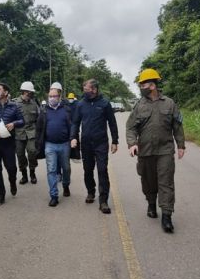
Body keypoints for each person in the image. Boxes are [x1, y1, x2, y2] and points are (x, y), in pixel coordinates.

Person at [126, 68, 185, 233]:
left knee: (166, 182)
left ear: (152, 85)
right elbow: (131, 128)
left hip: (165, 150)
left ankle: (167, 215)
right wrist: (132, 144)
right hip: (145, 152)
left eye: (142, 84)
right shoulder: (139, 105)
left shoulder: (169, 103)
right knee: (148, 181)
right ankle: (151, 204)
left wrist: (180, 145)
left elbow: (177, 126)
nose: (141, 87)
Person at [71, 79, 118, 214]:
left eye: (86, 89)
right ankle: (91, 192)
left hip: (101, 143)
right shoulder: (80, 105)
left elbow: (112, 123)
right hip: (86, 143)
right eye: (84, 89)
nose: (84, 91)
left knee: (102, 170)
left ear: (94, 90)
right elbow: (75, 122)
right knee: (88, 170)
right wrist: (73, 137)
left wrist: (115, 141)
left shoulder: (105, 104)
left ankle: (103, 201)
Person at [36, 86, 73, 206]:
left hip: (64, 145)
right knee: (51, 170)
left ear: (60, 97)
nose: (52, 98)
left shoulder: (66, 110)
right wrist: (38, 144)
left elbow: (72, 126)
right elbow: (39, 129)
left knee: (66, 168)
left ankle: (66, 185)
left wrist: (73, 139)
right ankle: (54, 195)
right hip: (50, 145)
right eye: (50, 96)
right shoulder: (44, 111)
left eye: (54, 96)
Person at [14, 81, 40, 185]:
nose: (31, 94)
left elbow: (39, 118)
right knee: (20, 154)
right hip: (19, 133)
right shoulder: (15, 103)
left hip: (31, 132)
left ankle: (32, 173)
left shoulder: (34, 103)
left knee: (32, 152)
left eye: (31, 93)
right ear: (24, 92)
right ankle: (24, 175)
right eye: (29, 92)